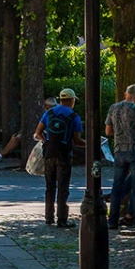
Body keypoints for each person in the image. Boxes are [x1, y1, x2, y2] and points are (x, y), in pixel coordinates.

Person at [33, 90, 83, 228]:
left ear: (60, 100)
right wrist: (90, 143)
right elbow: (77, 140)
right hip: (64, 154)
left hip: (49, 153)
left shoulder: (49, 113)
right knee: (63, 187)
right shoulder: (74, 116)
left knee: (50, 186)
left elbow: (38, 132)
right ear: (72, 100)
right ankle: (62, 219)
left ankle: (49, 217)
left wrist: (46, 141)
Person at [104, 84, 135, 229]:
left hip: (119, 151)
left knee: (117, 186)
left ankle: (112, 220)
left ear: (125, 94)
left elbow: (108, 131)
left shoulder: (113, 108)